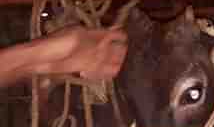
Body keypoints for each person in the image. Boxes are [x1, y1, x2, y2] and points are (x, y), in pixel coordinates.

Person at [0, 26, 128, 88]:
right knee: (26, 58)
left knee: (27, 64)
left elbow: (89, 74)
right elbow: (113, 34)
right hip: (75, 46)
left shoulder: (113, 68)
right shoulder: (75, 39)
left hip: (76, 56)